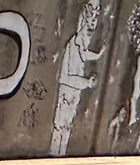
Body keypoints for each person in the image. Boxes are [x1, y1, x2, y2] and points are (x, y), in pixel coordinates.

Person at [51, 0, 105, 155]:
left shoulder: (79, 45)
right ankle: (55, 154)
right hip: (68, 92)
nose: (92, 25)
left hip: (72, 93)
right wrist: (86, 82)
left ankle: (58, 155)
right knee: (61, 125)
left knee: (66, 126)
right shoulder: (75, 42)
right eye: (90, 19)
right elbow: (69, 77)